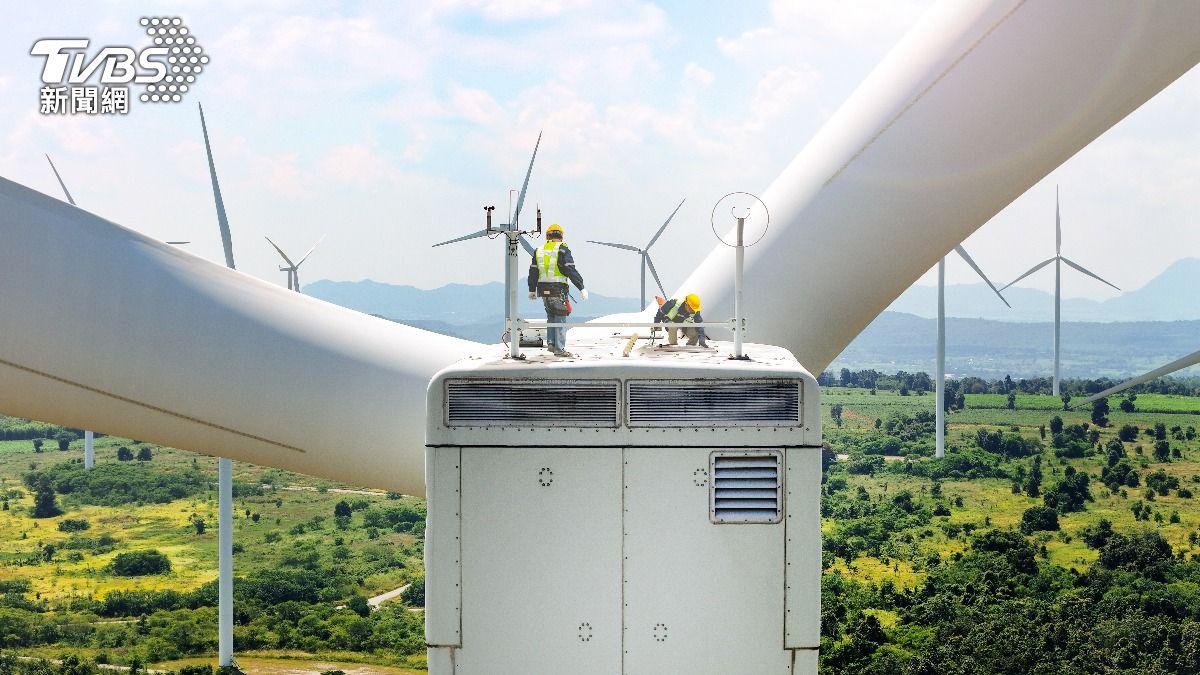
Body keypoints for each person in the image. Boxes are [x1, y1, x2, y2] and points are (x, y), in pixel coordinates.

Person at [528, 223, 587, 356]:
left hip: (543, 290)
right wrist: (581, 287)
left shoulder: (539, 250)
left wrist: (531, 289)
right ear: (561, 236)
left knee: (550, 315)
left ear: (548, 236)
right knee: (560, 316)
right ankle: (559, 350)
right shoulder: (562, 249)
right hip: (558, 289)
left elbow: (533, 272)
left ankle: (551, 343)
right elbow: (570, 269)